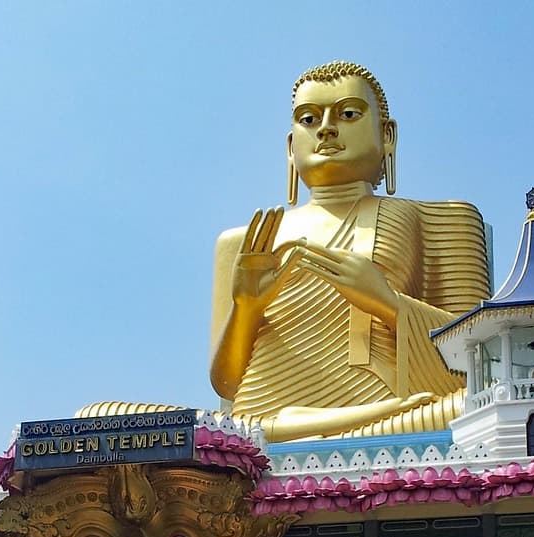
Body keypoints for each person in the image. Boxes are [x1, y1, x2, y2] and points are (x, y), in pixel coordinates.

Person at [209, 61, 490, 441]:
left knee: (481, 405)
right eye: (309, 119)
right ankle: (293, 429)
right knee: (129, 421)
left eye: (348, 114)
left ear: (387, 135)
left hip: (397, 418)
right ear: (291, 147)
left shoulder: (442, 218)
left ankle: (313, 427)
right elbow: (227, 383)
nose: (326, 128)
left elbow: (480, 363)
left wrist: (388, 304)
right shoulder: (246, 241)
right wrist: (246, 309)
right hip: (258, 421)